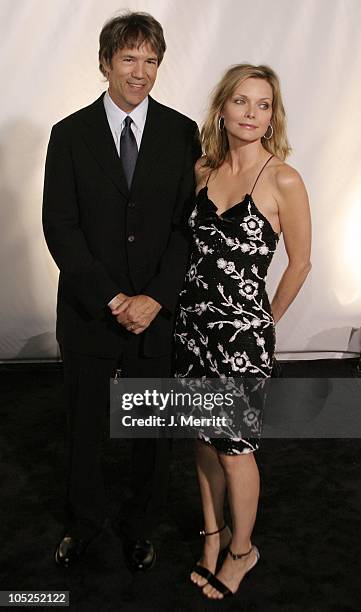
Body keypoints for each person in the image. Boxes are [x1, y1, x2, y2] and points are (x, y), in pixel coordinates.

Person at [42, 11, 199, 571]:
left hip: (157, 313)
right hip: (89, 311)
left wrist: (155, 297)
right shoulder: (69, 134)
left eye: (151, 60)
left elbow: (188, 225)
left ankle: (140, 526)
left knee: (151, 433)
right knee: (84, 427)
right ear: (105, 62)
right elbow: (59, 226)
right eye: (129, 58)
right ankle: (83, 525)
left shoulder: (183, 132)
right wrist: (111, 299)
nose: (140, 72)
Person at [174, 64, 311, 598]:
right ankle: (214, 534)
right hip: (191, 330)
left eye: (263, 105)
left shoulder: (284, 179)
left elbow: (300, 263)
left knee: (234, 448)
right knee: (202, 443)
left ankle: (242, 551)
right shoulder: (203, 170)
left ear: (272, 116)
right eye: (241, 102)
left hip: (241, 341)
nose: (252, 114)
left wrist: (264, 321)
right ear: (222, 109)